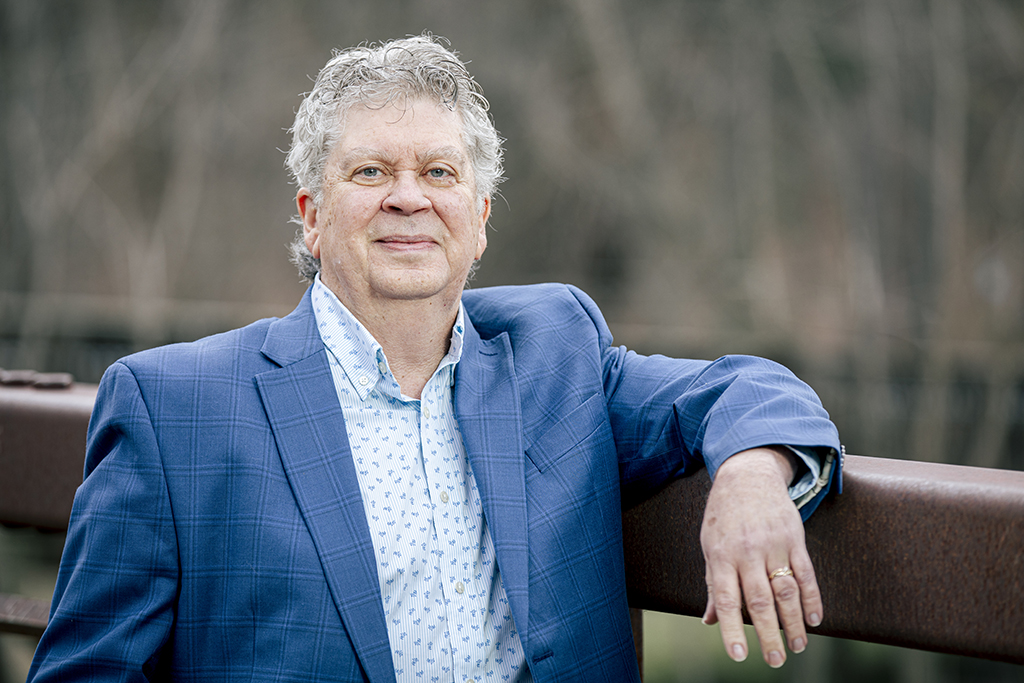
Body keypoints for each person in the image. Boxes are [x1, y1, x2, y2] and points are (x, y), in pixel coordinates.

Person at [28, 34, 841, 683]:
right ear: (312, 216)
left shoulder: (556, 353)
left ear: (479, 218)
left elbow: (746, 387)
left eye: (439, 172)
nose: (408, 196)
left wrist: (749, 473)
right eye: (371, 171)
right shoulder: (173, 408)